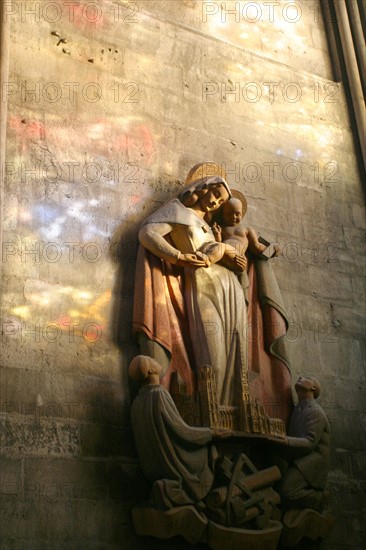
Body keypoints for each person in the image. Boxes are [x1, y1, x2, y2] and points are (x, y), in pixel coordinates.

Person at [133, 164, 249, 406]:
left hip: (230, 288)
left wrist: (232, 256)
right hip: (203, 283)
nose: (215, 203)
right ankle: (212, 410)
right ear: (203, 188)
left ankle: (234, 411)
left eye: (220, 202)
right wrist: (177, 256)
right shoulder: (178, 212)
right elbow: (147, 233)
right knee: (212, 351)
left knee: (237, 353)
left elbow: (222, 250)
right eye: (215, 195)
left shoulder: (209, 226)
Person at [129, 355, 224, 509]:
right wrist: (210, 434)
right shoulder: (159, 394)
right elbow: (182, 431)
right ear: (152, 369)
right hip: (173, 463)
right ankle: (184, 492)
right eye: (152, 359)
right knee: (211, 450)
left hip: (153, 468)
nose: (155, 360)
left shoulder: (136, 403)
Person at [270, 375, 331, 510]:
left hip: (311, 462)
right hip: (298, 457)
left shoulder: (315, 411)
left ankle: (319, 498)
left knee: (286, 491)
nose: (301, 377)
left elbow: (310, 442)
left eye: (307, 378)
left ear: (313, 388)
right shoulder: (297, 410)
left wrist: (286, 441)